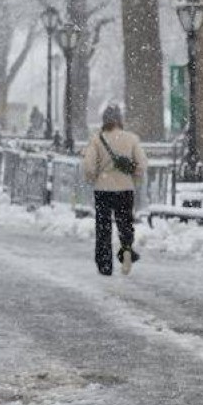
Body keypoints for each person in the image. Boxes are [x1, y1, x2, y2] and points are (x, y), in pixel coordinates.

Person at [82, 104, 148, 276]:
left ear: (104, 120)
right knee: (125, 223)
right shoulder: (131, 139)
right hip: (125, 188)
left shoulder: (97, 139)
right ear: (120, 120)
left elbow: (89, 166)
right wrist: (134, 176)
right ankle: (126, 250)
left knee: (103, 227)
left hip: (103, 189)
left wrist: (93, 177)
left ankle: (105, 264)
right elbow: (141, 164)